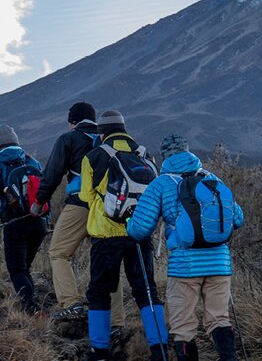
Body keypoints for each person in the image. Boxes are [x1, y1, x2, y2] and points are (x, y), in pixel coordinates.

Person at [128, 134, 244, 361]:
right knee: (219, 318)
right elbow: (237, 218)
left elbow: (140, 229)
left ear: (165, 156)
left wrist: (127, 223)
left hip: (185, 266)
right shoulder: (212, 179)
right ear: (188, 152)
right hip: (219, 263)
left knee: (184, 326)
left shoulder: (161, 184)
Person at [30, 102, 126, 336]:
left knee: (59, 252)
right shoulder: (108, 138)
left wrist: (39, 202)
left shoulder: (69, 138)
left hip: (80, 205)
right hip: (109, 208)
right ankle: (116, 321)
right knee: (107, 262)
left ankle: (71, 303)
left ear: (73, 121)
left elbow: (52, 174)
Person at [80, 110, 168, 361]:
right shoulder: (145, 155)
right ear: (124, 128)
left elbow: (87, 196)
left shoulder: (94, 156)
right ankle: (159, 348)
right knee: (147, 290)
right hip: (139, 234)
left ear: (101, 132)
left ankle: (99, 351)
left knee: (99, 291)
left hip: (106, 236)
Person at [0, 125, 48, 315]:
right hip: (39, 222)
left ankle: (33, 310)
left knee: (17, 270)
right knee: (24, 268)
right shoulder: (33, 162)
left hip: (15, 223)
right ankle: (32, 303)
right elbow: (46, 189)